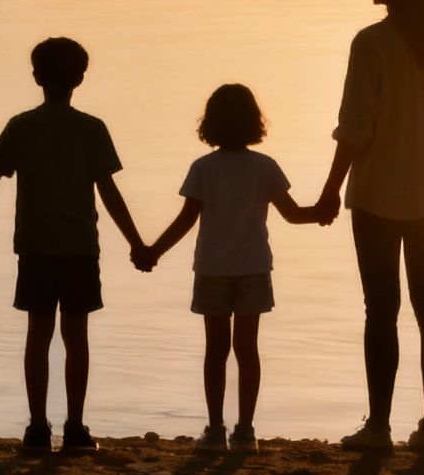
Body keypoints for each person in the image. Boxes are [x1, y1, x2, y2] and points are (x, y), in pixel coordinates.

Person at [0, 37, 145, 454]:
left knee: (38, 336)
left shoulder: (22, 126)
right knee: (76, 336)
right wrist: (137, 243)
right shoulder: (91, 129)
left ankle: (37, 427)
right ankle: (76, 427)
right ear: (80, 78)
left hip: (35, 246)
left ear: (36, 77)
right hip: (81, 246)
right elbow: (109, 192)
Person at [315, 0, 424, 454]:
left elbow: (355, 129)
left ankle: (379, 428)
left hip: (379, 195)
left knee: (380, 308)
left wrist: (329, 191)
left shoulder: (372, 43)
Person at [137, 84, 328, 451]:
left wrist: (153, 252)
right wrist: (320, 213)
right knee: (247, 349)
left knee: (216, 350)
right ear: (254, 122)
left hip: (212, 268)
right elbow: (292, 214)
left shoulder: (204, 169)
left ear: (210, 123)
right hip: (254, 267)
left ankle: (214, 429)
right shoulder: (264, 167)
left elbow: (185, 221)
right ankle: (245, 430)